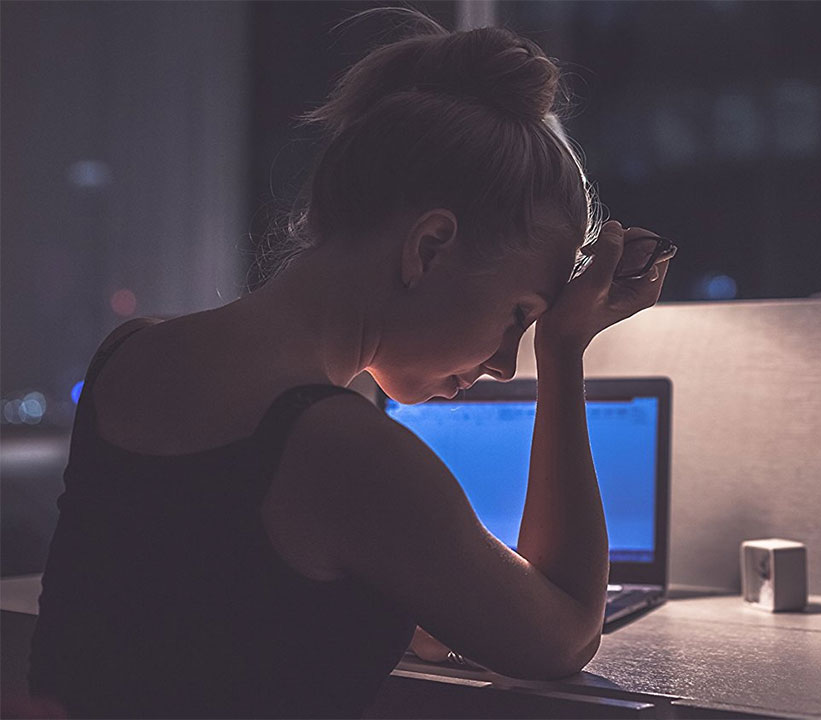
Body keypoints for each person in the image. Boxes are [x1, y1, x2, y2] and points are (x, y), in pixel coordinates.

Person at [27, 9, 674, 718]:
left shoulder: (130, 354)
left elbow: (203, 602)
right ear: (428, 247)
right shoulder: (341, 450)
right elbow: (565, 633)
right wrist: (564, 352)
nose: (502, 362)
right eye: (519, 315)